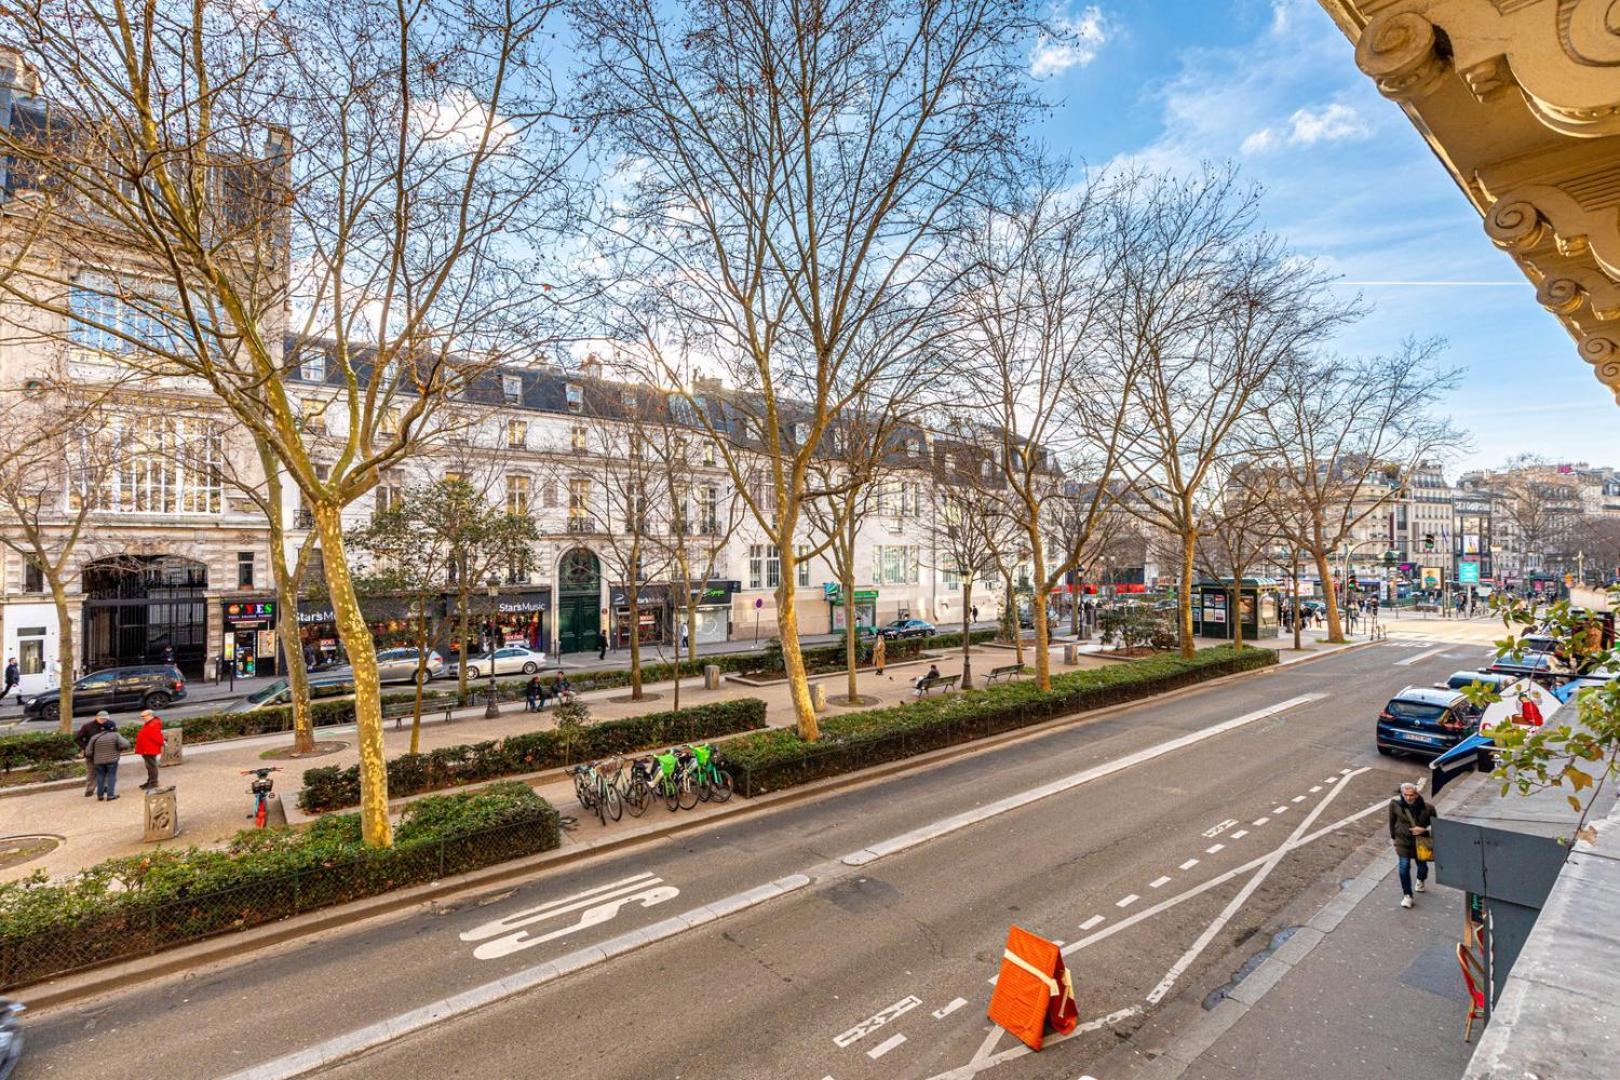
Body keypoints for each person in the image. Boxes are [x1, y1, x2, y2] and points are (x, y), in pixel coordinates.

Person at [1389, 781, 1435, 908]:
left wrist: (1424, 830)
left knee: (1422, 867)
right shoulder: (1395, 804)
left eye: (1411, 795)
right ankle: (1407, 895)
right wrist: (1393, 838)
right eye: (1406, 795)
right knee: (1404, 867)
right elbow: (1392, 821)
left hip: (1421, 843)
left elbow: (1437, 827)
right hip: (1403, 841)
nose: (1408, 797)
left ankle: (1420, 880)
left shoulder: (1428, 808)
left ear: (1416, 794)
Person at [87, 716, 130, 801]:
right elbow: (126, 744)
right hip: (112, 760)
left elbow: (88, 751)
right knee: (111, 776)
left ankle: (100, 795)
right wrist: (118, 748)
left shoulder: (94, 737)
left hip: (98, 761)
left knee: (100, 776)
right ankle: (110, 795)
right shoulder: (115, 735)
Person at [76, 711, 106, 797]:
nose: (103, 720)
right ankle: (90, 789)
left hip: (104, 752)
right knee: (91, 772)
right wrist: (86, 747)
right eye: (101, 718)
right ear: (96, 717)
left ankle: (103, 788)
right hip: (91, 754)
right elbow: (78, 738)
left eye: (105, 718)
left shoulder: (108, 725)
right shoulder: (87, 726)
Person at [134, 709, 165, 790]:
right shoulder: (150, 723)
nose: (142, 718)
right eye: (142, 716)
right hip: (147, 748)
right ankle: (151, 781)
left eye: (144, 716)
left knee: (151, 766)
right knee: (150, 766)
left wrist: (162, 742)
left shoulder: (152, 724)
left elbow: (157, 737)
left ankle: (153, 782)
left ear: (150, 715)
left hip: (149, 749)